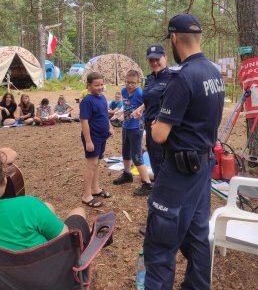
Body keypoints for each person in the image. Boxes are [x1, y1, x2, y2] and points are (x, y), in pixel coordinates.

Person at [143, 14, 225, 289]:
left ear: (174, 38)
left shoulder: (183, 77)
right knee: (198, 236)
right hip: (203, 169)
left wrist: (155, 125)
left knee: (159, 247)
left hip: (178, 174)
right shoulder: (215, 73)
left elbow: (159, 134)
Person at [0, 154, 90, 251]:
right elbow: (64, 240)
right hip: (52, 263)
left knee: (48, 207)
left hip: (9, 264)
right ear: (3, 178)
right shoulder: (29, 205)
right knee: (78, 211)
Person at [132, 45, 170, 181]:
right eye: (151, 60)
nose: (154, 63)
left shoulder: (172, 78)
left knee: (162, 158)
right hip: (149, 124)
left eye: (157, 59)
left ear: (165, 57)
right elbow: (151, 99)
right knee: (153, 155)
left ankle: (164, 190)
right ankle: (158, 187)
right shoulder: (150, 79)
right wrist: (141, 108)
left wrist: (161, 119)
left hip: (163, 126)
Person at [113, 70, 153, 196]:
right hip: (126, 125)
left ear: (138, 82)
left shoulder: (140, 92)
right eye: (128, 82)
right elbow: (125, 105)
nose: (130, 85)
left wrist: (140, 111)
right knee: (125, 151)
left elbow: (148, 104)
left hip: (137, 127)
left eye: (133, 83)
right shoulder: (124, 91)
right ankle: (127, 174)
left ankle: (147, 184)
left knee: (136, 155)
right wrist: (119, 112)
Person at [80, 72, 113, 208]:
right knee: (91, 165)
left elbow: (105, 114)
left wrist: (110, 126)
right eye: (96, 85)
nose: (99, 87)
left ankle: (96, 188)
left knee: (97, 163)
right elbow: (84, 121)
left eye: (101, 84)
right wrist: (88, 141)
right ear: (89, 85)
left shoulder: (102, 97)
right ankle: (86, 195)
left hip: (102, 136)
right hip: (93, 138)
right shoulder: (87, 100)